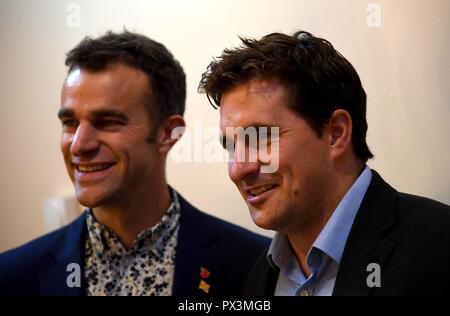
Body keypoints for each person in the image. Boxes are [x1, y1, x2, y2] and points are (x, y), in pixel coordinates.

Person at [0, 31, 269, 296]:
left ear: (167, 133)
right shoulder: (13, 276)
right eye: (70, 123)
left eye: (107, 122)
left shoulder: (256, 266)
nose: (79, 145)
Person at [198, 30, 450, 295]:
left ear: (336, 133)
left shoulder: (439, 247)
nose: (239, 168)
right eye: (231, 146)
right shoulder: (259, 277)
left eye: (260, 138)